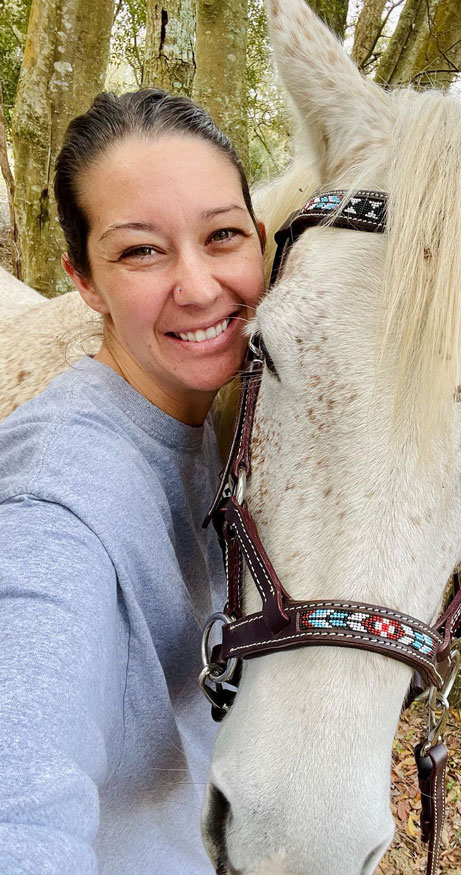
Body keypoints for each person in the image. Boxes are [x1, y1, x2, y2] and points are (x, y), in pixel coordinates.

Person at [0, 89, 266, 874]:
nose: (197, 285)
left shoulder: (221, 432)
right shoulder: (54, 504)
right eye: (141, 251)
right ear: (83, 279)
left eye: (223, 235)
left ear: (263, 242)